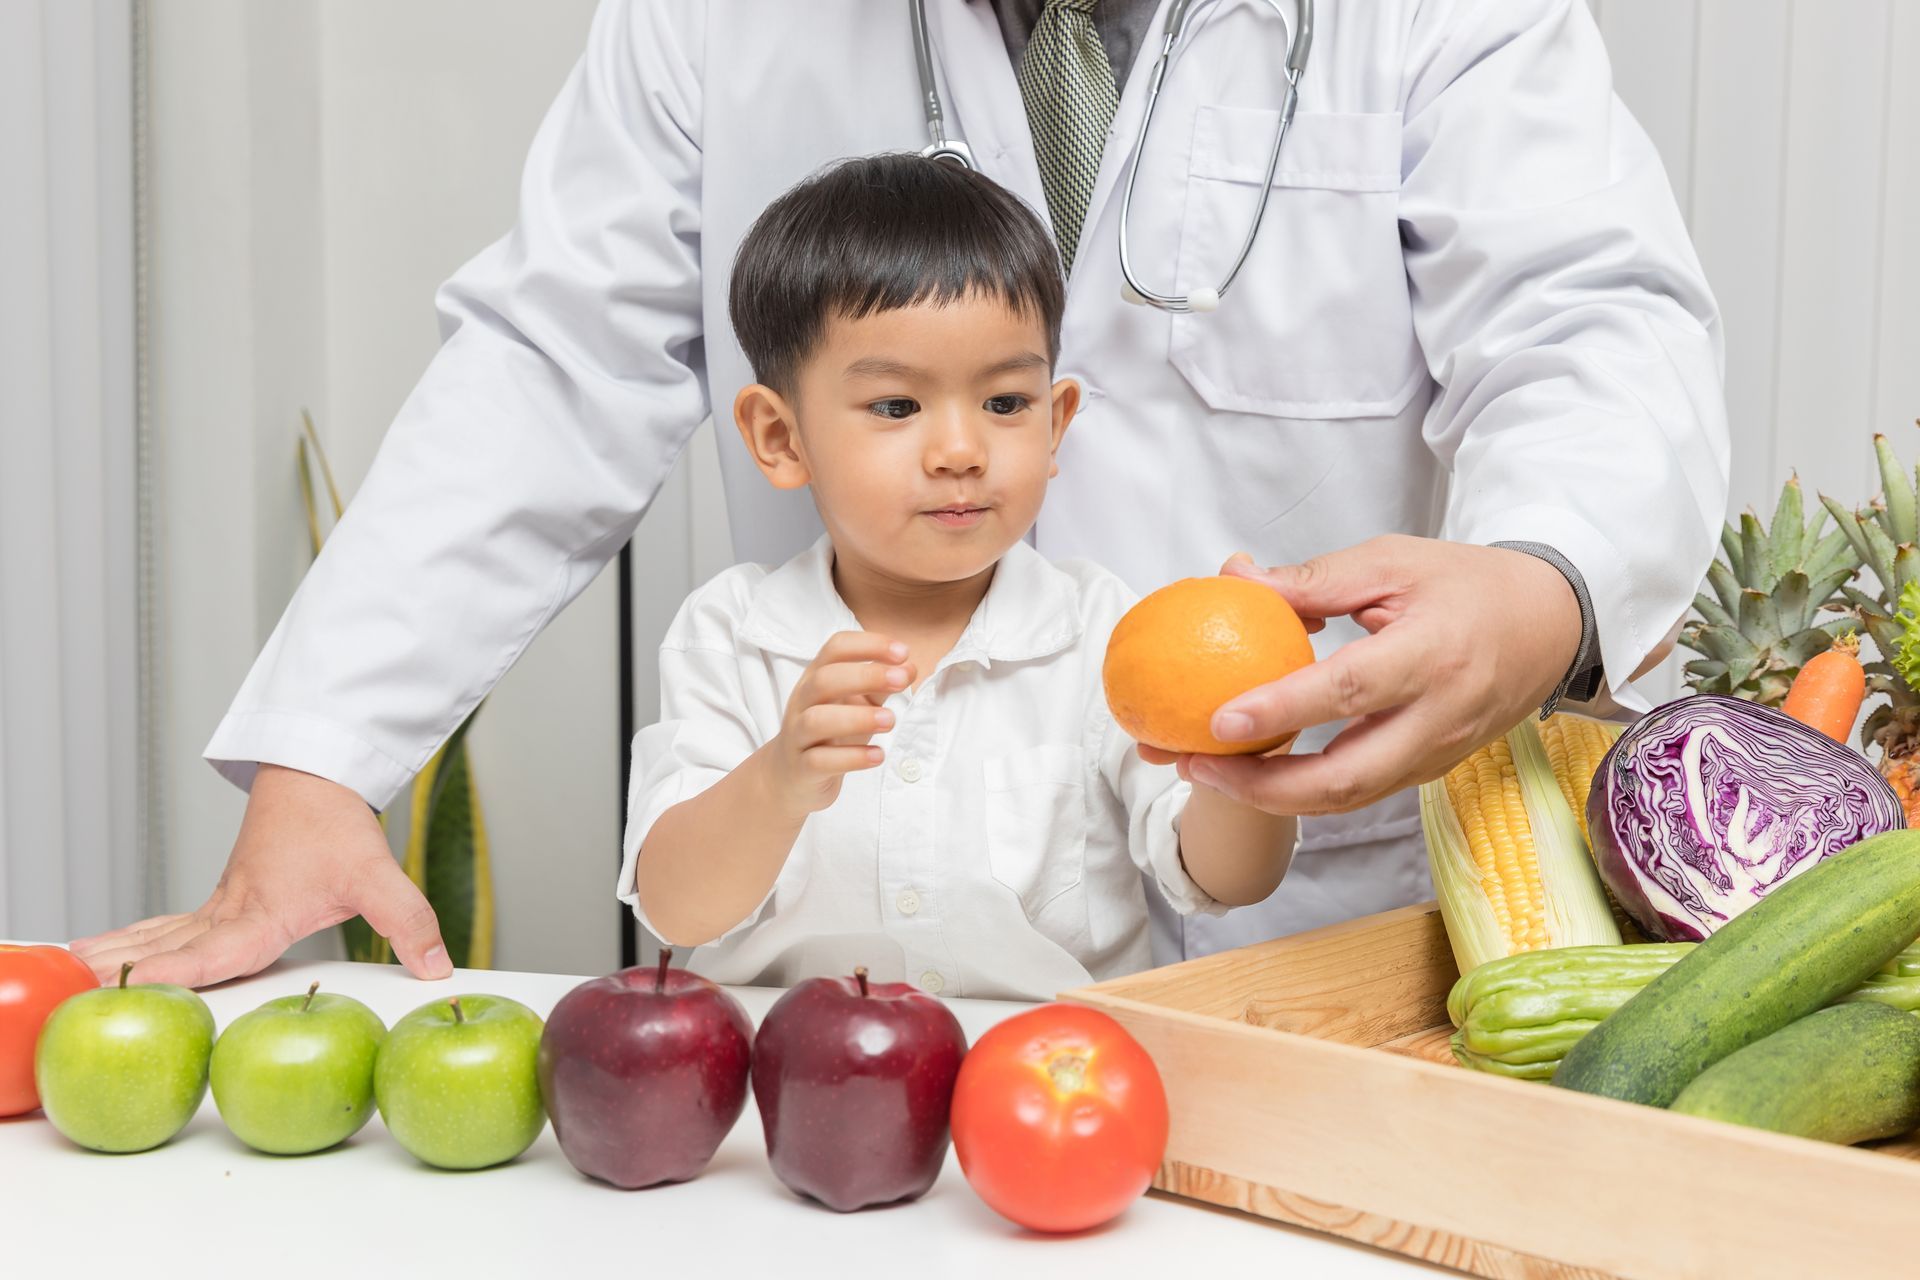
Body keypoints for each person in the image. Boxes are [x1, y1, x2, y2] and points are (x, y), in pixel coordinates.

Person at [71, 0, 1728, 988]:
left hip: (1300, 906)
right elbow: (554, 355)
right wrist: (325, 757)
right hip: (870, 948)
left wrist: (1542, 583)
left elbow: (1589, 324)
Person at [626, 154, 1296, 1001]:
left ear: (1056, 426)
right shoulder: (730, 634)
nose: (960, 453)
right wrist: (778, 780)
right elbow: (678, 911)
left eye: (1005, 404)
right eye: (897, 407)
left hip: (1048, 1085)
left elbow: (1226, 880)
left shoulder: (1100, 630)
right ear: (781, 439)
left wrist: (1249, 740)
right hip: (795, 1092)